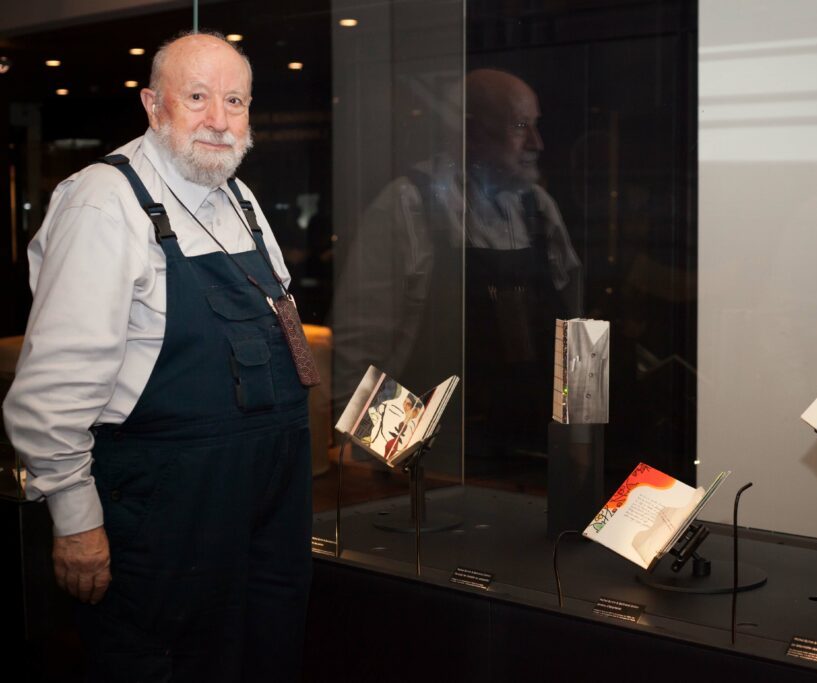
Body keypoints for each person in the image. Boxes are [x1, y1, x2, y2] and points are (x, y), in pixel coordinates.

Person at [3, 31, 312, 682]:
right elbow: (49, 393)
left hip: (263, 513)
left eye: (235, 101)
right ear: (152, 104)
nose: (219, 121)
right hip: (164, 516)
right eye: (197, 97)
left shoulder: (243, 200)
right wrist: (76, 519)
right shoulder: (104, 200)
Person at [334, 68, 581, 467]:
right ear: (471, 132)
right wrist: (387, 458)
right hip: (437, 459)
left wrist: (579, 440)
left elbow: (576, 337)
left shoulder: (538, 208)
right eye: (520, 126)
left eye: (535, 127)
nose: (537, 143)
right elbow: (358, 348)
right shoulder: (408, 204)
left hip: (536, 450)